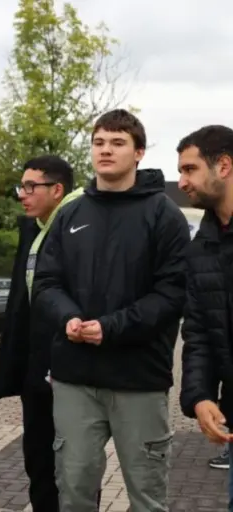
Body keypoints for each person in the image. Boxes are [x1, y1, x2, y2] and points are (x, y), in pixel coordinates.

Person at [32, 109, 189, 512]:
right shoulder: (70, 214)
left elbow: (172, 293)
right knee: (74, 491)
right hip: (75, 377)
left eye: (117, 143)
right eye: (99, 142)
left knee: (147, 497)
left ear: (138, 153)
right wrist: (66, 316)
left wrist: (111, 328)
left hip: (139, 378)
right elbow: (47, 284)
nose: (106, 150)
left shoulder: (163, 214)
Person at [0, 155, 82, 511]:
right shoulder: (33, 227)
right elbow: (22, 301)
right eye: (21, 186)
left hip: (68, 366)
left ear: (57, 190)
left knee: (73, 469)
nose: (22, 194)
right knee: (38, 462)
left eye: (31, 187)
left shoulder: (79, 226)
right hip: (35, 370)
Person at [177, 125, 233, 509]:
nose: (182, 182)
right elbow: (198, 331)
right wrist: (199, 396)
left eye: (190, 169)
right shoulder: (203, 246)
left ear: (224, 166)